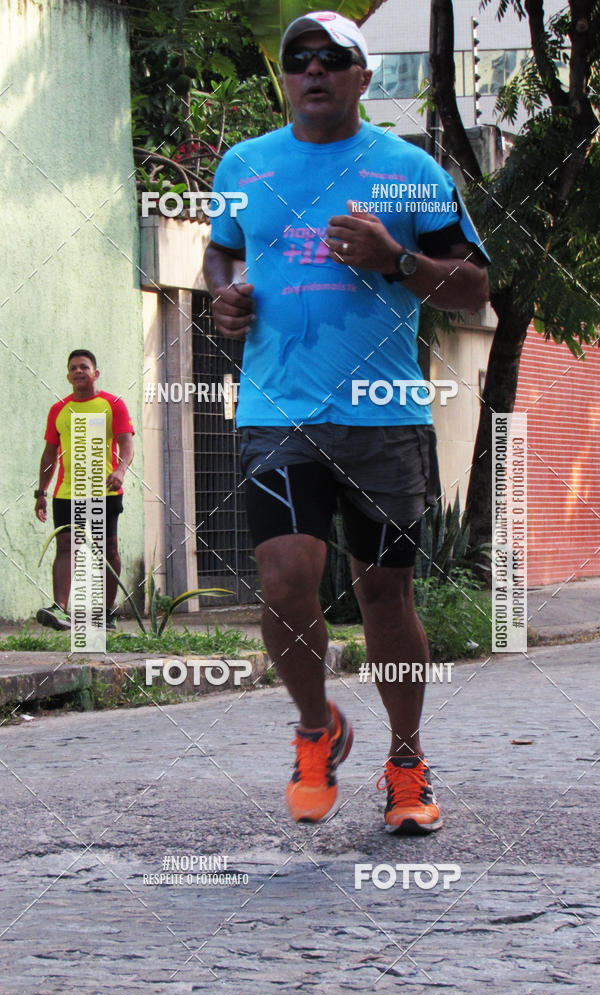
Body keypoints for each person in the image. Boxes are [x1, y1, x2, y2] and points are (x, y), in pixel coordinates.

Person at [203, 11, 489, 832]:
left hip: (384, 418)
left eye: (335, 59)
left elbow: (474, 286)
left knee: (384, 594)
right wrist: (225, 291)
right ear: (287, 77)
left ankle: (405, 759)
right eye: (301, 60)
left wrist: (397, 260)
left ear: (364, 78)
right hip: (276, 409)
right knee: (287, 579)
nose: (314, 70)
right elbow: (223, 248)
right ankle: (316, 728)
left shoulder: (410, 172)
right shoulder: (244, 164)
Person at [34, 349, 134, 631]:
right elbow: (49, 454)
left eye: (84, 367)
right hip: (67, 492)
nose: (79, 371)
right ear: (68, 376)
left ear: (95, 373)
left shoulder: (113, 404)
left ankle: (106, 613)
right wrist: (41, 491)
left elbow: (127, 445)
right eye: (74, 368)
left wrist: (120, 470)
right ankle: (61, 610)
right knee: (66, 546)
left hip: (105, 490)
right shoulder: (59, 410)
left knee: (108, 548)